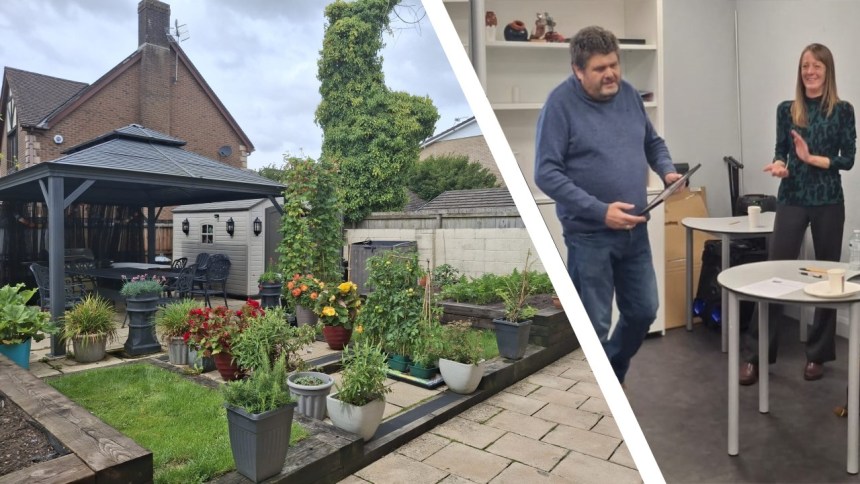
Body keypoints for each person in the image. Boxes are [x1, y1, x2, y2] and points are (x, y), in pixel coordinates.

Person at [534, 26, 680, 383]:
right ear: (578, 71)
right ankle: (598, 400)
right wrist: (601, 211)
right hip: (589, 237)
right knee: (593, 326)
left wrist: (667, 171)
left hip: (635, 229)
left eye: (614, 64)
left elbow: (653, 143)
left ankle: (611, 373)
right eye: (600, 69)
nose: (611, 74)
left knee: (644, 311)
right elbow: (545, 173)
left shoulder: (629, 95)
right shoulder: (560, 105)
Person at [740, 43, 856, 385]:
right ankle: (757, 355)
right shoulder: (786, 110)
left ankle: (818, 355)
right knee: (775, 274)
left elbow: (846, 159)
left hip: (829, 200)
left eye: (817, 66)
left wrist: (809, 159)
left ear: (827, 71)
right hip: (791, 197)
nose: (810, 71)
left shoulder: (843, 110)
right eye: (805, 66)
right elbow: (781, 152)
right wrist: (780, 166)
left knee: (829, 279)